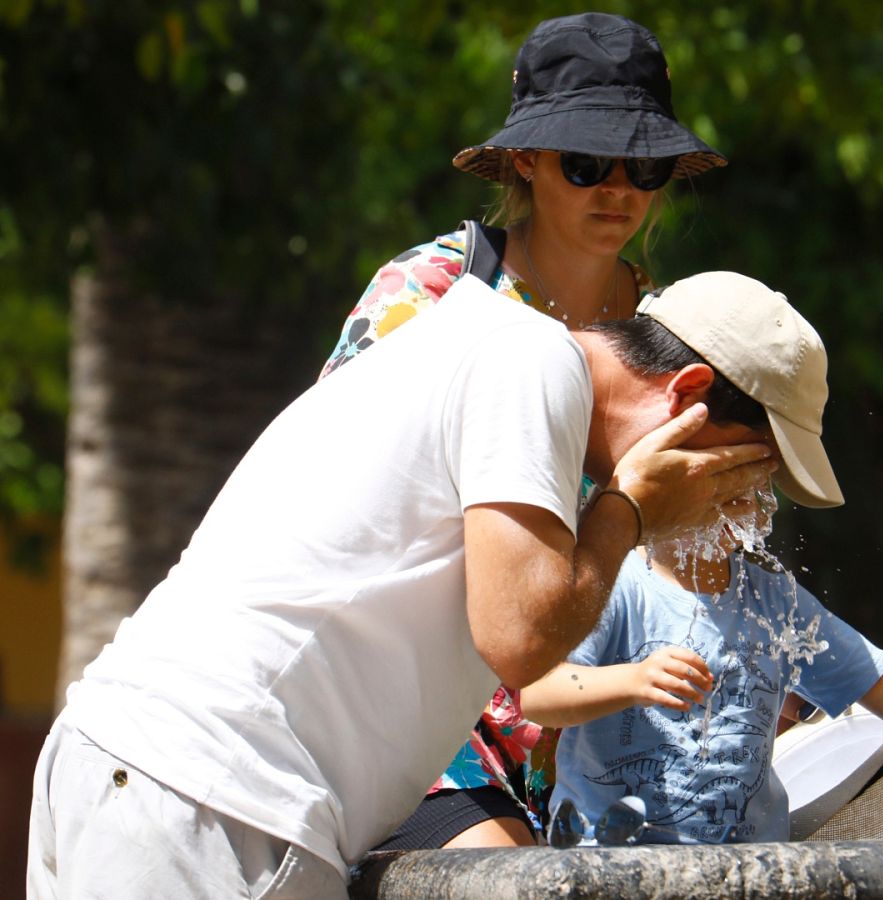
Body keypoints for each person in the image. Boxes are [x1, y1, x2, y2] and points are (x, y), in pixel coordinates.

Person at [27, 270, 828, 896]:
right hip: (210, 799)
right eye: (748, 472)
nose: (743, 506)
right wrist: (629, 510)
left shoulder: (488, 346)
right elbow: (520, 640)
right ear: (686, 398)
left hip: (157, 780)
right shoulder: (532, 361)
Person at [321, 12, 727, 851]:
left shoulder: (657, 323)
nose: (618, 189)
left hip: (568, 739)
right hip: (412, 718)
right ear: (528, 161)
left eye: (643, 165)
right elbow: (331, 503)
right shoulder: (430, 292)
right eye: (586, 163)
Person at [523, 286, 883, 845]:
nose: (746, 498)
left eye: (758, 484)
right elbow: (539, 693)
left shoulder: (772, 603)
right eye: (727, 478)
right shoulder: (618, 580)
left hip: (746, 875)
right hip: (607, 873)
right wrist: (631, 681)